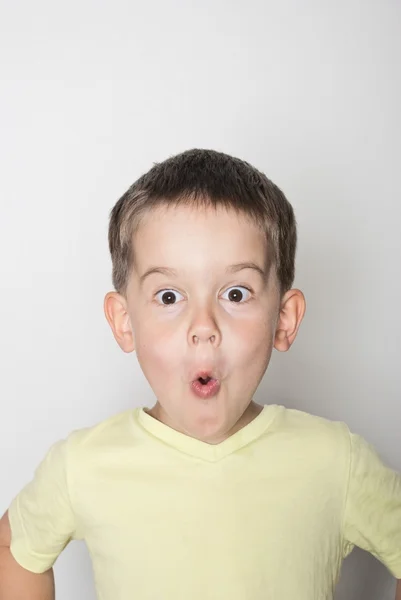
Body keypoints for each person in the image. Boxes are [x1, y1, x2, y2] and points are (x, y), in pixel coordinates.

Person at [0, 149, 400, 600]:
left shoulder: (335, 462)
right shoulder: (82, 465)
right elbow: (15, 547)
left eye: (235, 292)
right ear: (124, 320)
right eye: (169, 297)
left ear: (284, 319)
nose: (204, 328)